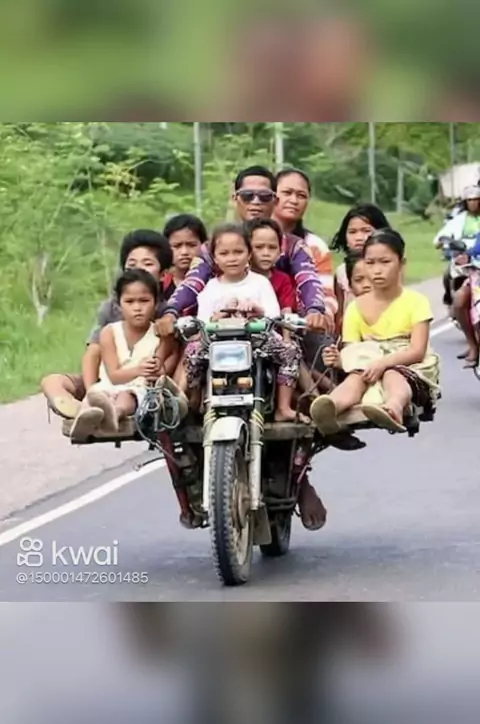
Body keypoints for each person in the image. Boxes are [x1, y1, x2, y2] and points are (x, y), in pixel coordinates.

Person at [156, 165, 332, 332]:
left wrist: (315, 310)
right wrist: (171, 311)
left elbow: (308, 280)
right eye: (247, 195)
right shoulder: (211, 247)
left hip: (284, 330)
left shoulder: (295, 246)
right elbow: (193, 282)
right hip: (217, 330)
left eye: (264, 196)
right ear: (235, 199)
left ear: (275, 200)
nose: (255, 202)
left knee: (319, 345)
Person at [310, 229, 440, 436]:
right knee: (355, 378)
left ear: (401, 263)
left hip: (407, 364)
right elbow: (353, 351)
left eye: (385, 262)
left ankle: (394, 407)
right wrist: (338, 360)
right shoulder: (355, 308)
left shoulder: (416, 302)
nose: (377, 270)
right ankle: (330, 407)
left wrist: (383, 363)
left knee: (392, 375)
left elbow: (417, 351)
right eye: (370, 263)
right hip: (368, 364)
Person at [41, 229, 174, 420]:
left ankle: (101, 412)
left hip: (137, 385)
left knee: (125, 397)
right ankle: (82, 409)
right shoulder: (111, 307)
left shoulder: (166, 309)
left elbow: (170, 352)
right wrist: (91, 391)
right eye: (131, 265)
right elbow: (93, 352)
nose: (138, 270)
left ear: (163, 274)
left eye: (147, 264)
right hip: (105, 379)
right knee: (52, 381)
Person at [183, 223, 308, 424]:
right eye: (224, 253)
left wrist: (256, 311)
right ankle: (195, 399)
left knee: (290, 351)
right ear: (215, 258)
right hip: (217, 343)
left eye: (238, 252)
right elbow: (202, 322)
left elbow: (273, 315)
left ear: (249, 254)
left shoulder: (260, 283)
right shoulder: (211, 288)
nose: (232, 258)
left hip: (257, 341)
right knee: (192, 352)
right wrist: (218, 317)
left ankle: (283, 407)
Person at [69, 269, 163, 439]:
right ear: (119, 305)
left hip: (138, 389)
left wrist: (156, 370)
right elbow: (113, 376)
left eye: (144, 301)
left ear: (156, 303)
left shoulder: (158, 334)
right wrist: (139, 370)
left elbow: (161, 370)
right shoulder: (109, 332)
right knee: (96, 396)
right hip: (109, 384)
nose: (137, 308)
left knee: (127, 396)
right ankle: (85, 419)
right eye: (129, 301)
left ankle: (114, 414)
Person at [272, 167, 336, 319]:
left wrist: (322, 316)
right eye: (287, 193)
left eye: (301, 195)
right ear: (272, 195)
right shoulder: (250, 240)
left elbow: (326, 293)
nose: (294, 200)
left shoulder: (315, 245)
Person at [433, 185, 480, 365]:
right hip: (472, 270)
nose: (474, 203)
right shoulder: (460, 219)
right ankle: (473, 344)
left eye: (476, 200)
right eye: (470, 200)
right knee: (460, 300)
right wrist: (462, 253)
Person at [330, 204, 391, 329]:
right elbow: (339, 314)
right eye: (352, 232)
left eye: (366, 231)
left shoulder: (389, 267)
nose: (358, 238)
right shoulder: (341, 272)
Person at [321, 250, 372, 373]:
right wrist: (337, 359)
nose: (366, 285)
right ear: (350, 285)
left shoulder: (401, 306)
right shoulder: (352, 312)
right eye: (359, 280)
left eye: (371, 278)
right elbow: (352, 353)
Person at [162, 213, 207, 298]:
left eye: (191, 245)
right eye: (177, 246)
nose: (184, 252)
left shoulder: (213, 283)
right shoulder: (160, 285)